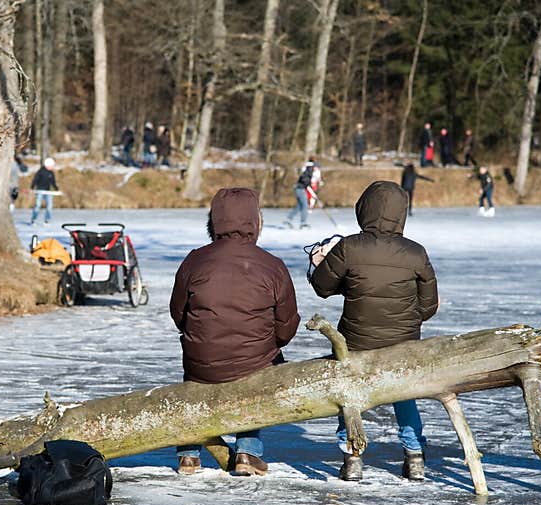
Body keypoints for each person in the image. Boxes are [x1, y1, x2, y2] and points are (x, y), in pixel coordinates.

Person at [309, 180, 439, 482]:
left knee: (350, 394)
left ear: (364, 209)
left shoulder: (349, 246)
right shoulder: (416, 252)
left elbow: (322, 287)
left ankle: (352, 457)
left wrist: (320, 263)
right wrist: (403, 321)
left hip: (356, 342)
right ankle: (414, 457)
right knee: (404, 395)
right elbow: (428, 307)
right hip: (403, 344)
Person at [169, 187, 300, 476]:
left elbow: (178, 313)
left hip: (201, 362)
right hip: (253, 361)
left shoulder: (194, 260)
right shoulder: (273, 266)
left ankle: (189, 455)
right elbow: (287, 326)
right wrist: (268, 345)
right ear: (255, 222)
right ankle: (247, 452)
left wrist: (198, 335)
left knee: (194, 381)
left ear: (214, 222)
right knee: (262, 376)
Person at [284, 159, 317, 228]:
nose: (316, 168)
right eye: (315, 167)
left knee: (299, 206)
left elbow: (307, 184)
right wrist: (312, 193)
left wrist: (313, 193)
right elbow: (304, 182)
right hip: (300, 190)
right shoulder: (308, 172)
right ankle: (303, 222)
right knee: (305, 206)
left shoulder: (308, 172)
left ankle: (288, 219)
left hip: (299, 189)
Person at [30, 156, 58, 225]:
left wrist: (56, 189)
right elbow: (35, 179)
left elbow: (53, 182)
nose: (52, 167)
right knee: (38, 205)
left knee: (49, 206)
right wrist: (32, 187)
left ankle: (46, 220)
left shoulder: (51, 173)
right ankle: (33, 219)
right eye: (52, 165)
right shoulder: (41, 171)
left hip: (47, 191)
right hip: (40, 191)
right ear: (48, 165)